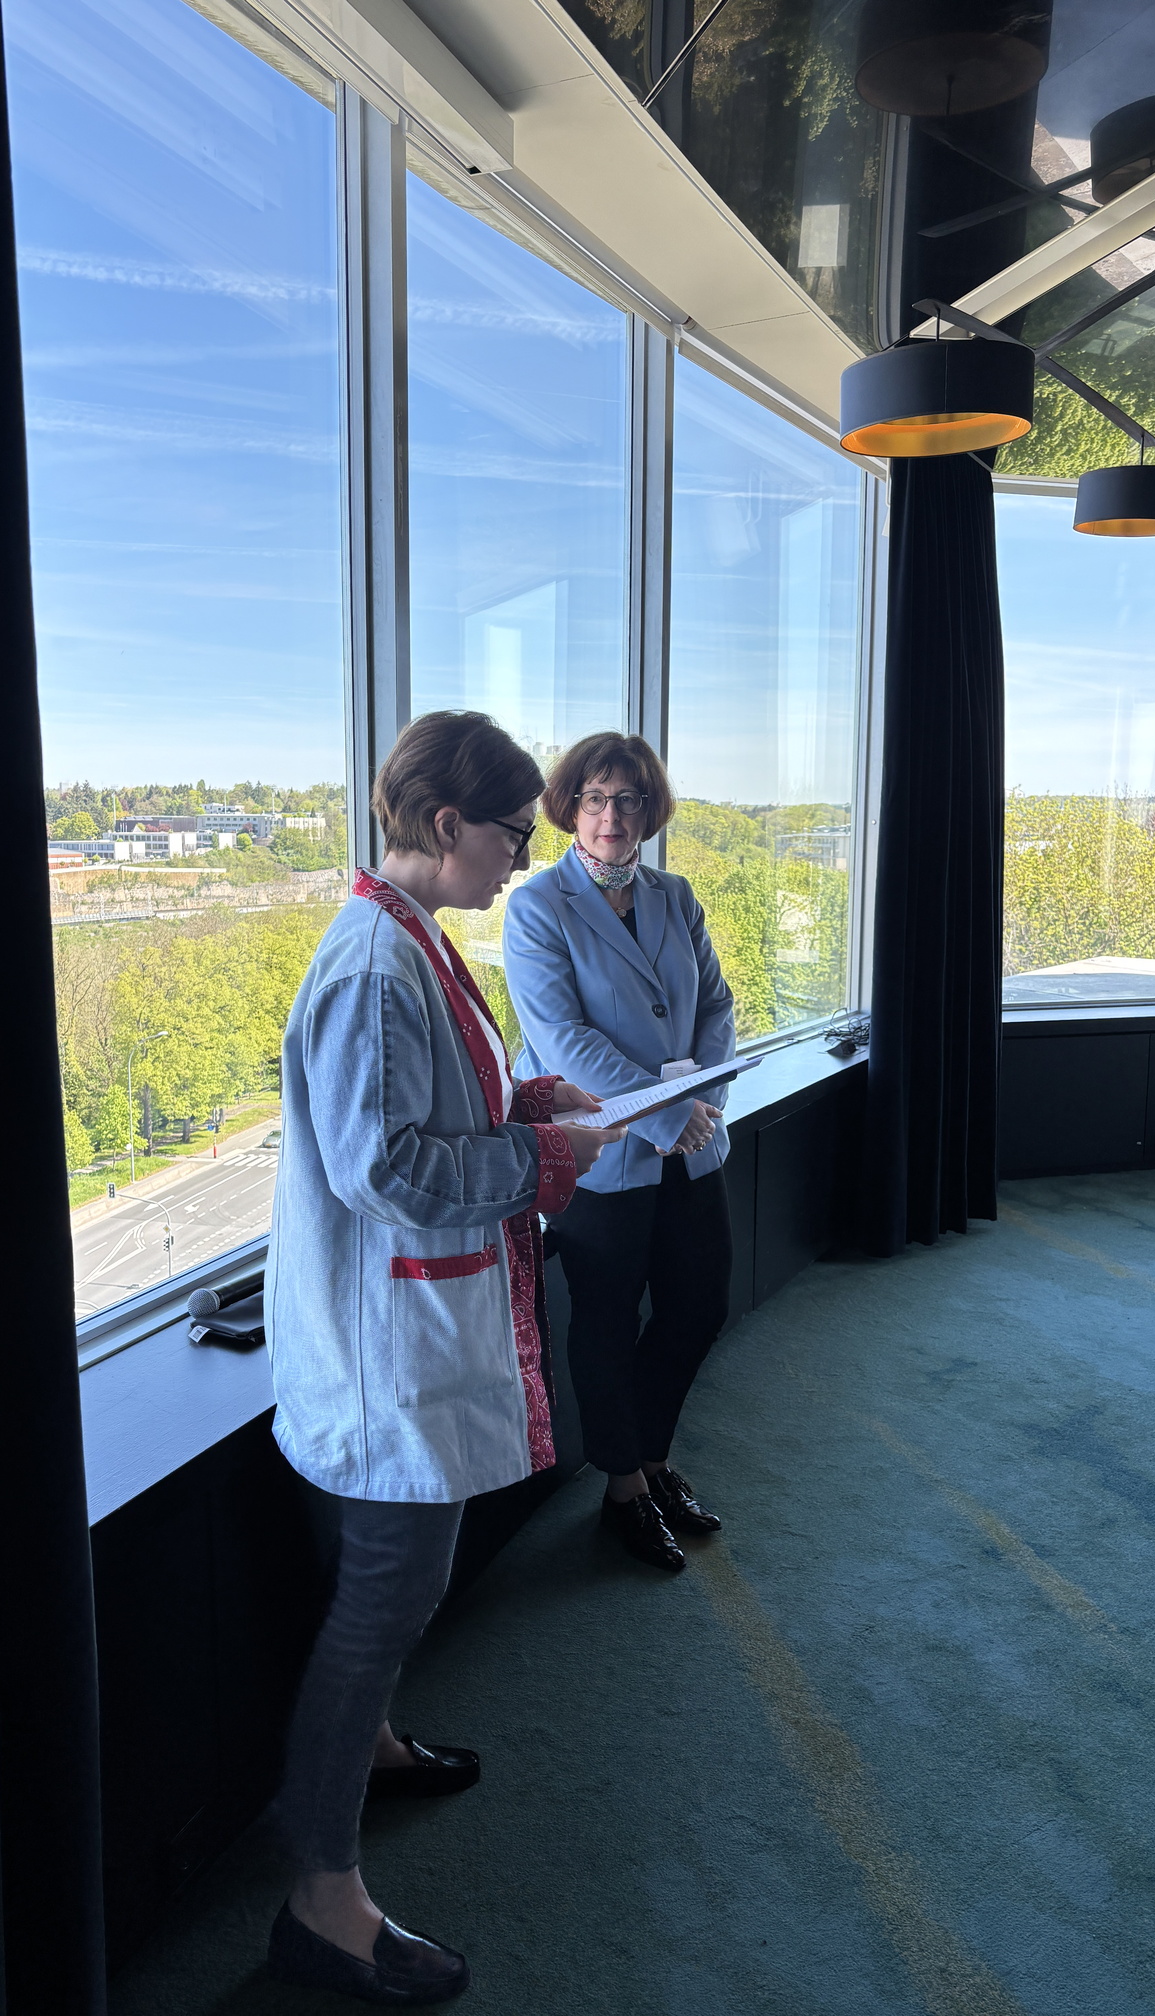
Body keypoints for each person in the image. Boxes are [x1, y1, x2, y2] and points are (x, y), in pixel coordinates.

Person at [262, 710, 623, 2005]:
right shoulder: (376, 965)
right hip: (385, 1364)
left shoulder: (408, 938)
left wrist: (522, 1106)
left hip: (403, 1342)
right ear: (444, 822)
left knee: (390, 1601)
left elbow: (420, 1117)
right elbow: (387, 1170)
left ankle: (371, 1748)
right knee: (383, 1608)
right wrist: (541, 1157)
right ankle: (321, 1902)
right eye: (514, 832)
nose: (524, 855)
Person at [501, 732, 737, 1574]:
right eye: (596, 798)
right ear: (570, 807)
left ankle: (653, 1458)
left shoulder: (676, 895)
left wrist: (705, 1105)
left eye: (628, 799)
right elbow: (561, 1039)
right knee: (604, 1324)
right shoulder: (537, 906)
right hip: (601, 1154)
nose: (611, 815)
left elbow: (716, 1008)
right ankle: (625, 1488)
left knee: (698, 1307)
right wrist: (668, 1115)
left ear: (649, 809)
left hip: (690, 1148)